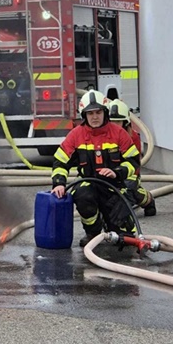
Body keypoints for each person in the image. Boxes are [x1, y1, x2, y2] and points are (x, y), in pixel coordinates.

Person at [50, 90, 141, 247]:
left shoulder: (119, 133)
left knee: (124, 237)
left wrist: (117, 172)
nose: (94, 117)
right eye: (90, 113)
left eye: (98, 112)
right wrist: (59, 183)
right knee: (82, 194)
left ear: (105, 112)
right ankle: (93, 232)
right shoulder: (75, 135)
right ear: (84, 115)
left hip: (115, 186)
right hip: (89, 184)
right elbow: (60, 161)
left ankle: (116, 227)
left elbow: (133, 161)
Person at [109, 99, 156, 216]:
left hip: (129, 173)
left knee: (128, 189)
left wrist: (120, 175)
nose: (114, 125)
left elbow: (134, 164)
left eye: (118, 122)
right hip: (110, 172)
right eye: (111, 122)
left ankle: (147, 199)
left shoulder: (132, 137)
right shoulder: (104, 136)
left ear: (125, 122)